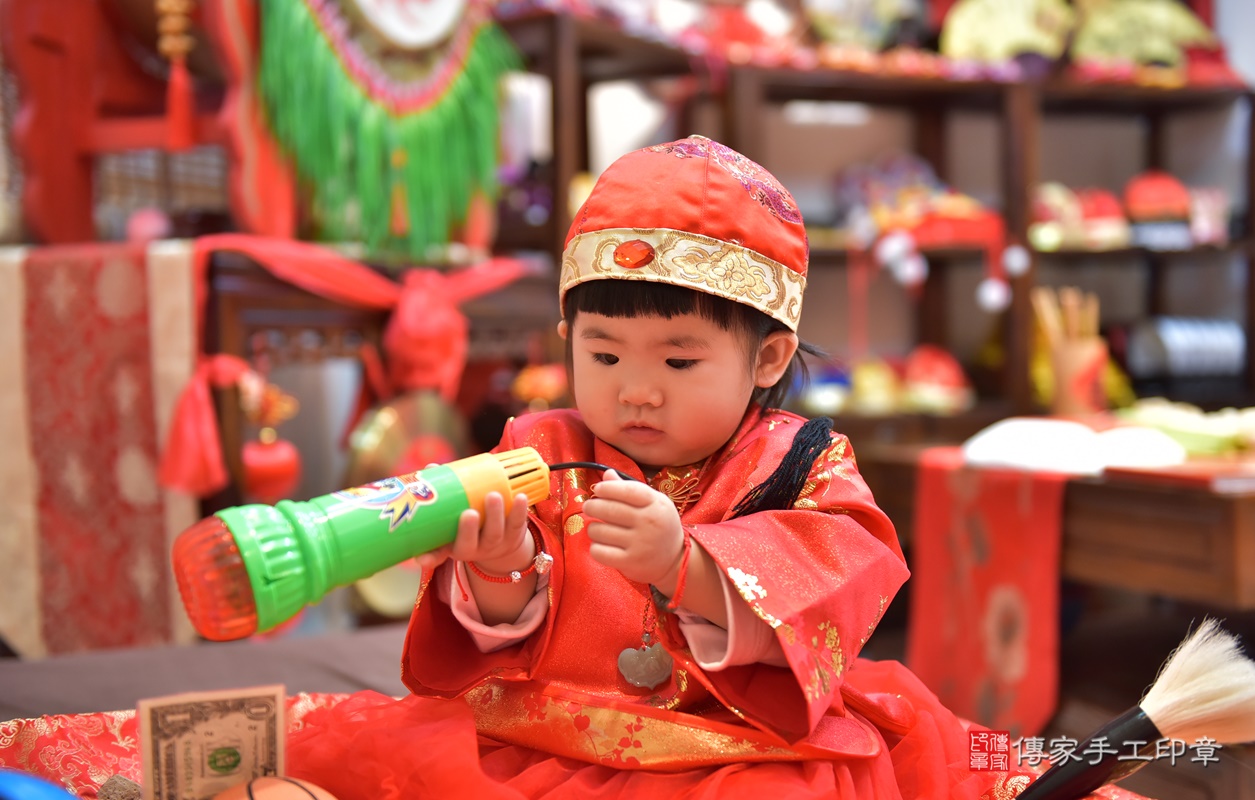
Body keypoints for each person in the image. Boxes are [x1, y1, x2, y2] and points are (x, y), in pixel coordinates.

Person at [286, 136, 1021, 799]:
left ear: (765, 357)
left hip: (736, 747)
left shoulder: (798, 464)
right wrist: (500, 569)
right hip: (546, 730)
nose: (635, 388)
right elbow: (497, 642)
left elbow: (833, 595)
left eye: (678, 358)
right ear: (567, 339)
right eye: (603, 355)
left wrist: (684, 567)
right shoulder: (537, 448)